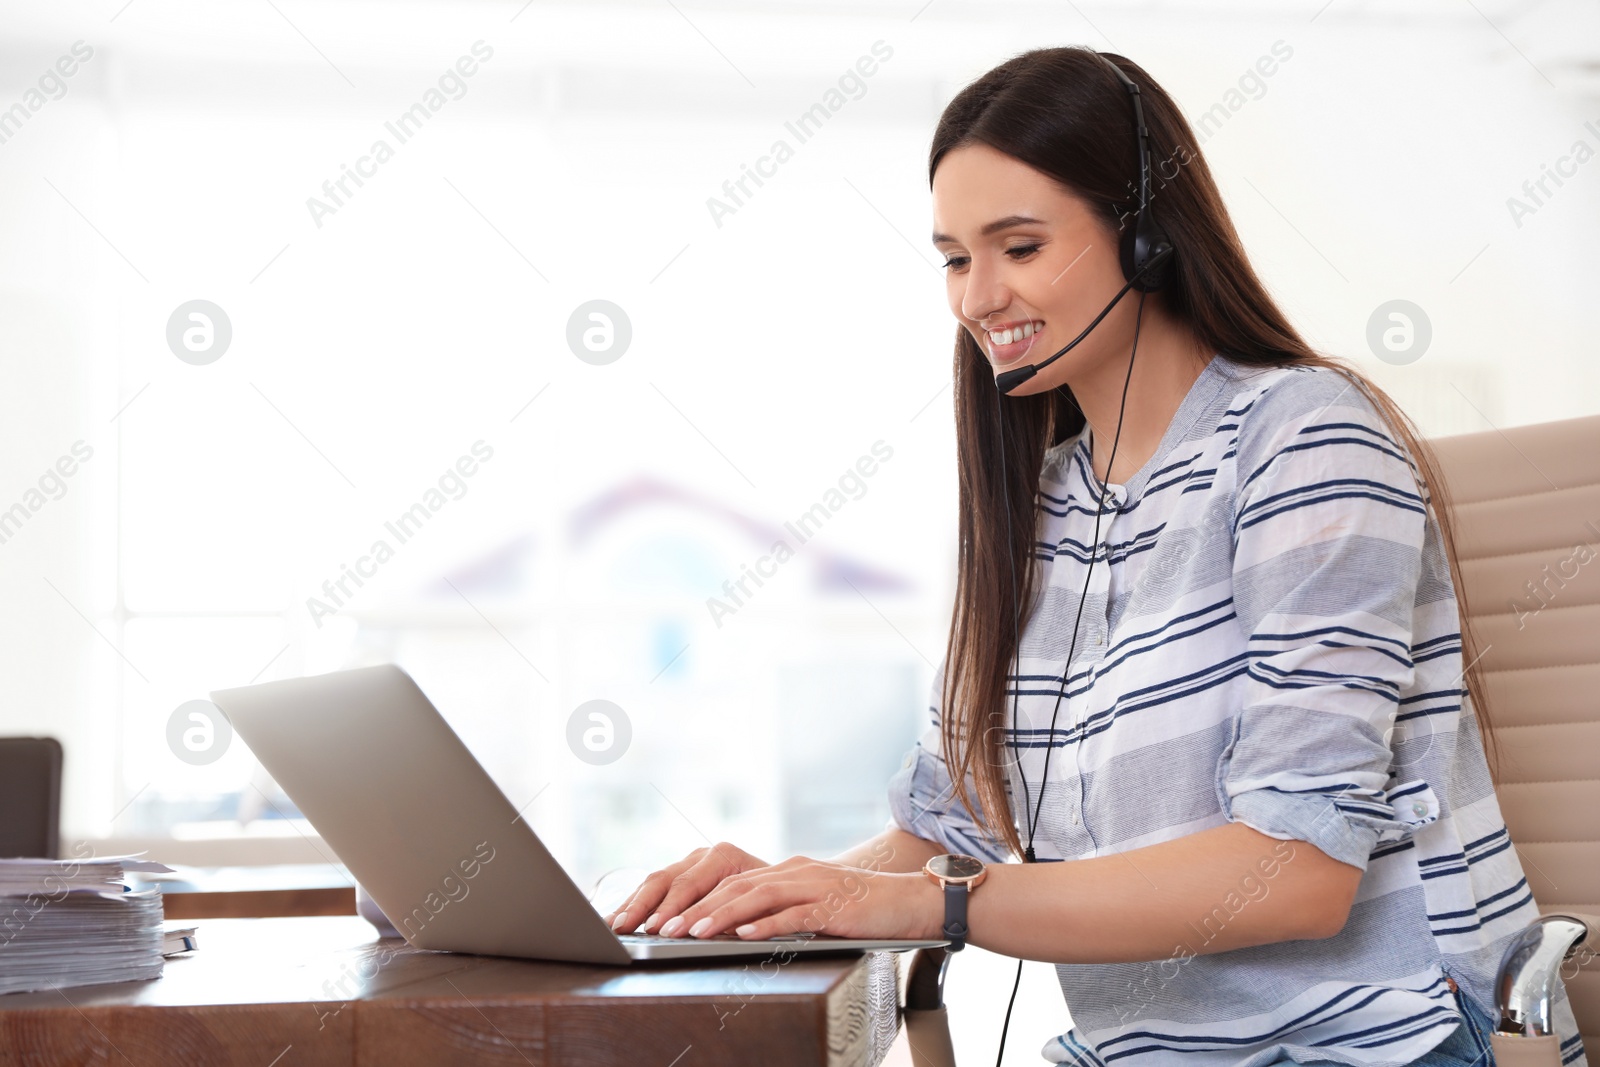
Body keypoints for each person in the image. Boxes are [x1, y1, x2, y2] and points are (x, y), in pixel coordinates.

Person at [603, 47, 1587, 1067]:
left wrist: (916, 903)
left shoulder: (1304, 441)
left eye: (1019, 246)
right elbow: (945, 827)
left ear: (1148, 238)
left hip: (1372, 1042)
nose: (977, 296)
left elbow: (1295, 869)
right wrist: (764, 896)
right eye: (952, 257)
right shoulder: (1038, 507)